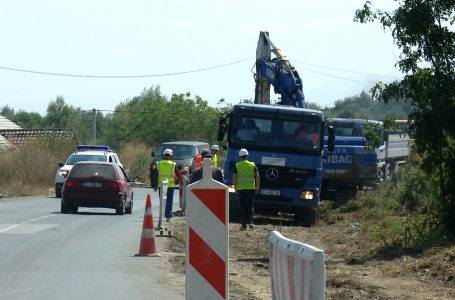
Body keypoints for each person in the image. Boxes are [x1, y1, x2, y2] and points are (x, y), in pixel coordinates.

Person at [232, 148, 260, 231]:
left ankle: (243, 226)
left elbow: (234, 177)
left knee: (242, 207)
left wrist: (235, 187)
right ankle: (251, 222)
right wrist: (257, 186)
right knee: (250, 206)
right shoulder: (252, 164)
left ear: (240, 157)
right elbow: (257, 176)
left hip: (241, 189)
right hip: (251, 188)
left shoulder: (237, 165)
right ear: (247, 156)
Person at [150, 148, 180, 222]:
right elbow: (177, 174)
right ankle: (168, 216)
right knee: (169, 201)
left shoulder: (158, 164)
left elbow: (154, 175)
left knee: (162, 201)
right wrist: (179, 181)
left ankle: (162, 215)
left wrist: (154, 185)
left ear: (164, 156)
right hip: (170, 186)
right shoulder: (173, 164)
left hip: (161, 185)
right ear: (170, 156)